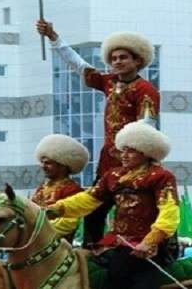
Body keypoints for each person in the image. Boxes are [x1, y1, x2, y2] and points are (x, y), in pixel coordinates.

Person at [36, 19, 161, 247]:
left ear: (138, 61)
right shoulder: (109, 82)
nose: (117, 62)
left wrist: (133, 154)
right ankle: (91, 251)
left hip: (133, 163)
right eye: (113, 58)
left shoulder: (146, 90)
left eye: (123, 57)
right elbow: (79, 65)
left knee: (133, 212)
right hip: (107, 162)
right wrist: (54, 37)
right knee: (94, 211)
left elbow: (147, 124)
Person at [47, 120, 178, 289]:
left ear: (146, 152)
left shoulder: (161, 176)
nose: (124, 155)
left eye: (130, 151)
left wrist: (150, 241)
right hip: (118, 241)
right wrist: (57, 209)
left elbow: (170, 210)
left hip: (149, 245)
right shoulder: (113, 175)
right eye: (123, 150)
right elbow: (88, 199)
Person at [31, 133, 88, 243]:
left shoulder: (73, 190)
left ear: (63, 165)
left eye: (48, 163)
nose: (42, 166)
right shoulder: (41, 188)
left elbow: (68, 223)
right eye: (41, 162)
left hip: (58, 248)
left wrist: (36, 231)